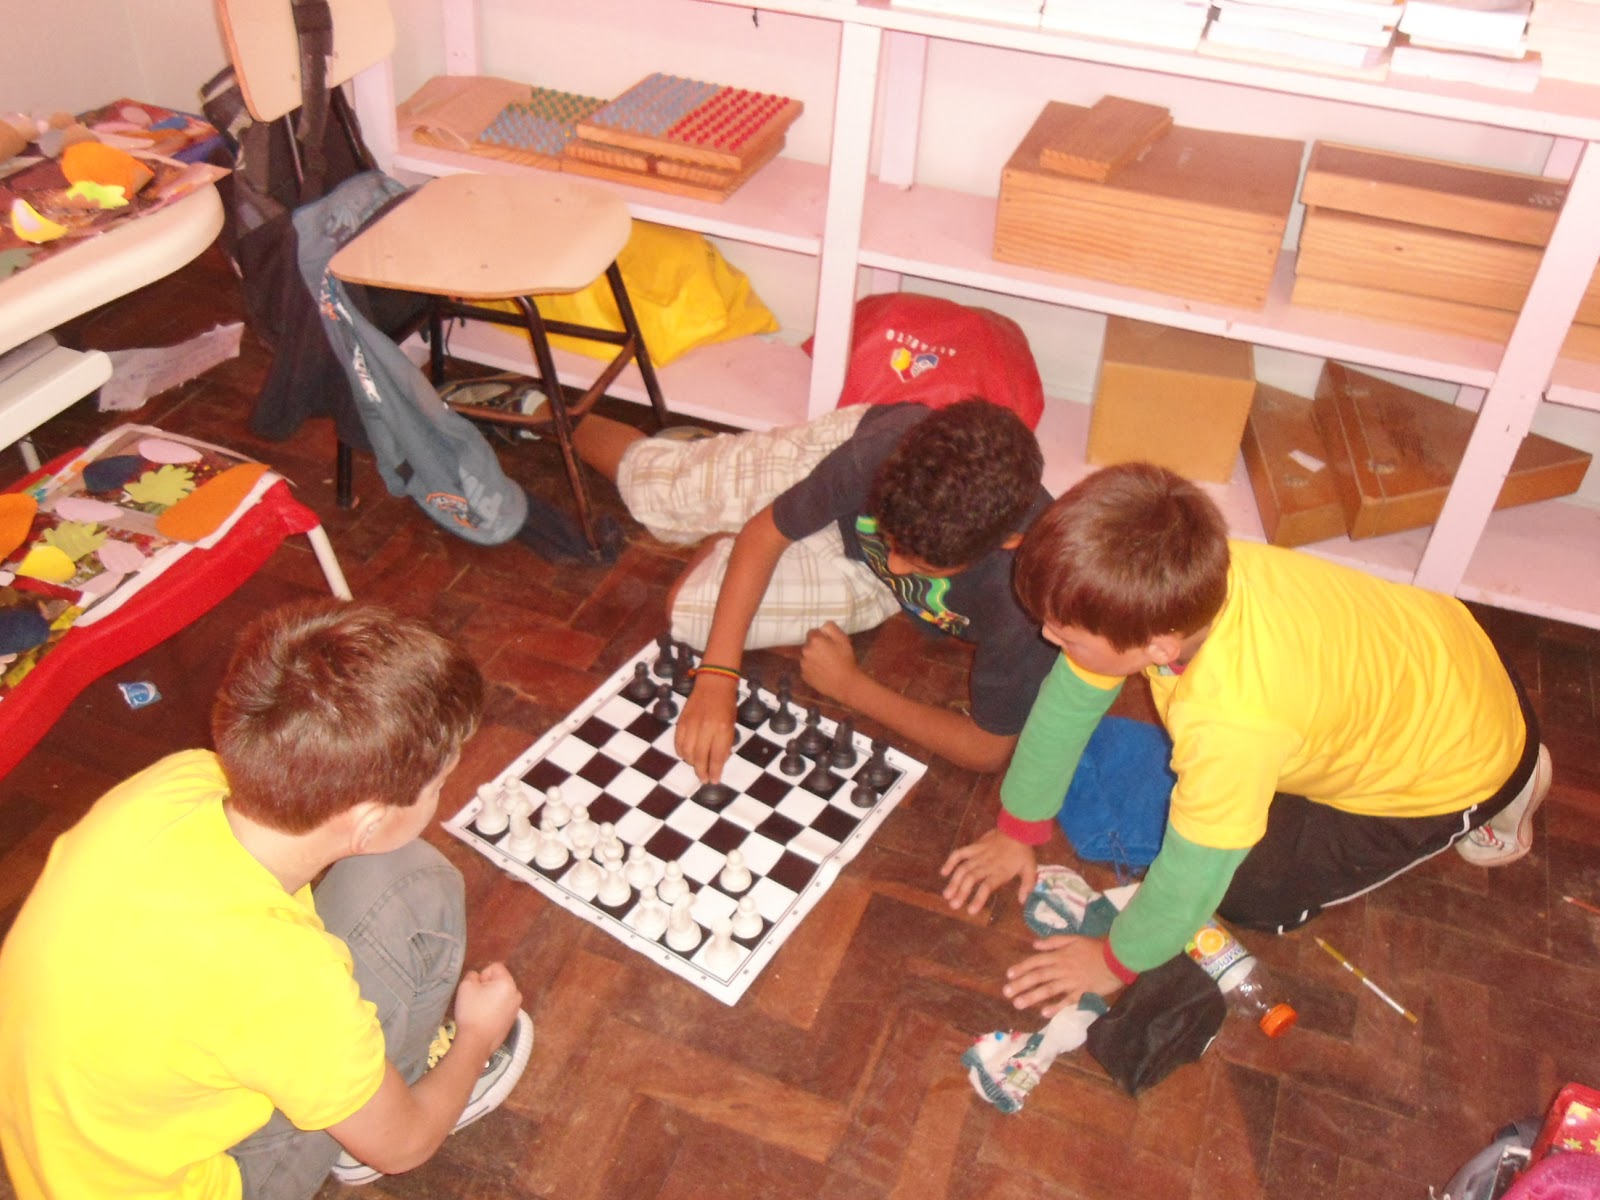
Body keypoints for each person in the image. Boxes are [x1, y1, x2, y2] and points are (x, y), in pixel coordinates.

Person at [941, 462, 1550, 1017]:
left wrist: (1114, 961)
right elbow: (1068, 702)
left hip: (1464, 761)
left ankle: (1510, 794)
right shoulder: (1189, 576)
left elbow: (1191, 878)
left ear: (1158, 647)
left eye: (1065, 635)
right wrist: (1018, 827)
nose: (1047, 639)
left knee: (1250, 892)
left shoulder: (1229, 726)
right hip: (1448, 649)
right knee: (1225, 808)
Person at [0, 600, 532, 1199]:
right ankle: (378, 1110)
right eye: (437, 786)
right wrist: (477, 1035)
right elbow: (404, 1148)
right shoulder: (282, 979)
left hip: (61, 1142)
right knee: (420, 889)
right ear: (369, 820)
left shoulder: (178, 782)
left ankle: (349, 1099)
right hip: (184, 1183)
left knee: (403, 875)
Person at [569, 398, 1059, 780]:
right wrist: (717, 675)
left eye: (922, 564)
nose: (897, 564)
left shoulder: (1032, 597)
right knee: (657, 494)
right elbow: (766, 534)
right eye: (893, 540)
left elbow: (986, 749)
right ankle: (548, 411)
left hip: (870, 577)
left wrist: (851, 687)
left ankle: (727, 523)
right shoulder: (883, 452)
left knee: (689, 612)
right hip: (837, 479)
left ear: (1007, 542)